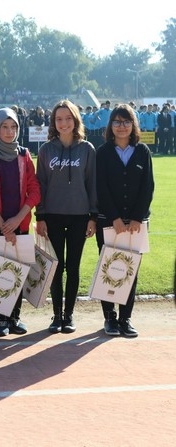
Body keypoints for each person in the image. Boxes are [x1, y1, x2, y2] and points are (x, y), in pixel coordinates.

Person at [0, 108, 41, 336]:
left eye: (13, 127)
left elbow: (34, 190)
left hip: (20, 225)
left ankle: (15, 318)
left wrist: (17, 220)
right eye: (4, 126)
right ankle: (1, 321)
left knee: (19, 272)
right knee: (0, 272)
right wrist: (4, 224)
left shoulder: (24, 154)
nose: (9, 131)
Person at [35, 100, 97, 334]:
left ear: (76, 120)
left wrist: (93, 217)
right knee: (56, 267)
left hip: (80, 215)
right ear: (54, 122)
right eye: (59, 119)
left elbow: (92, 185)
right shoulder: (46, 150)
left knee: (73, 266)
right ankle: (57, 315)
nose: (64, 123)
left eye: (68, 118)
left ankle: (69, 315)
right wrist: (40, 216)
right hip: (53, 215)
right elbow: (39, 183)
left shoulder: (87, 149)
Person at [95, 104, 154, 337]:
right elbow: (101, 187)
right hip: (108, 222)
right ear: (110, 125)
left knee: (130, 269)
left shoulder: (142, 152)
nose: (121, 126)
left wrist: (138, 217)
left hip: (136, 224)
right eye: (117, 122)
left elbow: (147, 187)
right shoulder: (103, 152)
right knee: (108, 267)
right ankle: (109, 317)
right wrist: (115, 218)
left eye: (126, 121)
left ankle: (125, 319)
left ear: (133, 125)